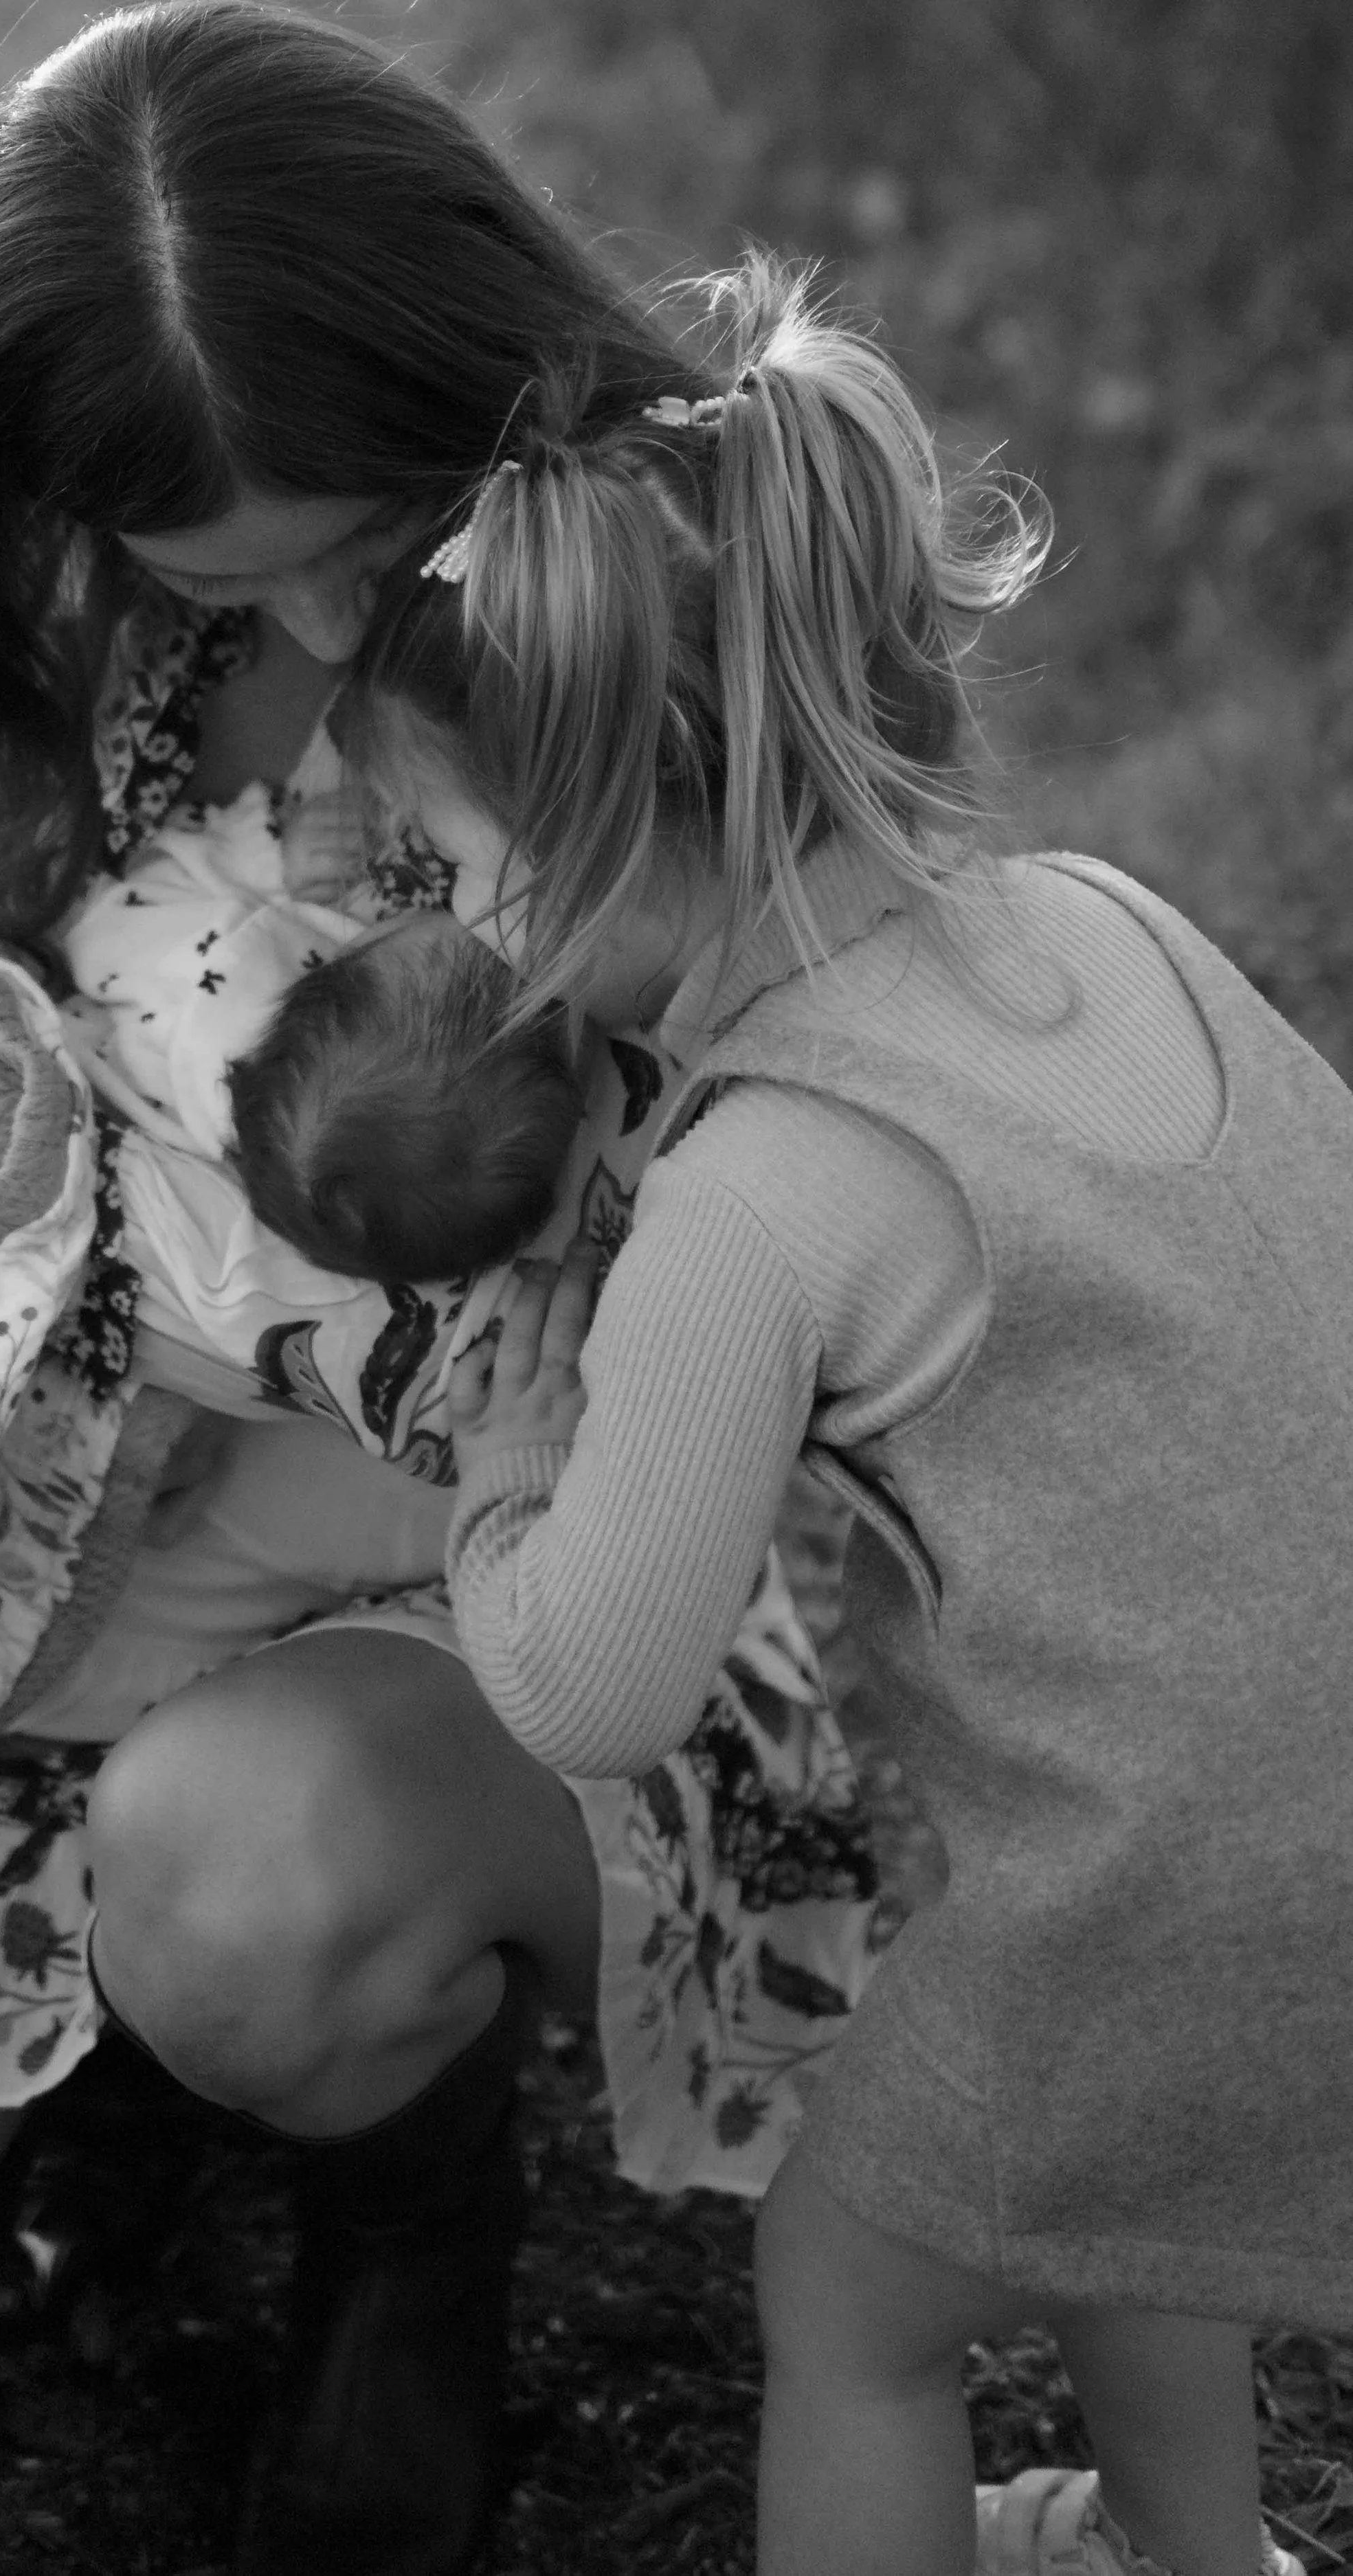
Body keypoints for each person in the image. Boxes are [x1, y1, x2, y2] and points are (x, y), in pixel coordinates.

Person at [0, 14, 884, 2575]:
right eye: (227, 578)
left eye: (371, 522)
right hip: (5, 1539)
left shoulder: (631, 564)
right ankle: (79, 2049)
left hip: (489, 1540)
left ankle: (397, 2170)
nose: (321, 609)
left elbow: (815, 1149)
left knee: (262, 1894)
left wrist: (408, 1310)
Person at [353, 256, 1349, 2576]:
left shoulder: (765, 1182)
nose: (466, 933)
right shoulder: (1109, 919)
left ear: (612, 829)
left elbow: (593, 1687)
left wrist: (511, 1458)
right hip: (1312, 1817)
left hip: (1164, 1896)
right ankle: (1197, 2557)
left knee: (853, 2286)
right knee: (1104, 2178)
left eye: (470, 869)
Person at [61, 781, 581, 1288]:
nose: (466, 914)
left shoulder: (237, 952)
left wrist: (267, 858)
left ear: (333, 969)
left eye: (402, 929)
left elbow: (120, 903)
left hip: (116, 947)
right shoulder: (280, 1130)